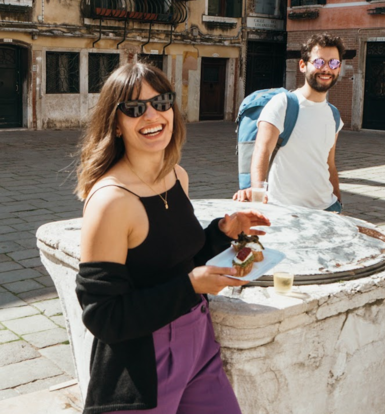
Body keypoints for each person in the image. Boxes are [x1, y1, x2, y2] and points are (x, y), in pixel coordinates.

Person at [74, 62, 272, 413]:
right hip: (142, 362)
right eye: (135, 109)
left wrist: (222, 233)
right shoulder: (111, 201)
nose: (152, 115)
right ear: (116, 124)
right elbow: (102, 315)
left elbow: (176, 261)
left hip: (198, 340)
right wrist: (190, 286)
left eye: (162, 102)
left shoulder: (177, 176)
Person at [233, 33, 346, 213]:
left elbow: (329, 164)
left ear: (338, 68)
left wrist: (337, 199)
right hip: (286, 210)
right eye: (319, 62)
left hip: (328, 208)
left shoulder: (333, 114)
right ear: (303, 65)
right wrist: (258, 199)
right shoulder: (283, 104)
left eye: (333, 63)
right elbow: (261, 153)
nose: (326, 69)